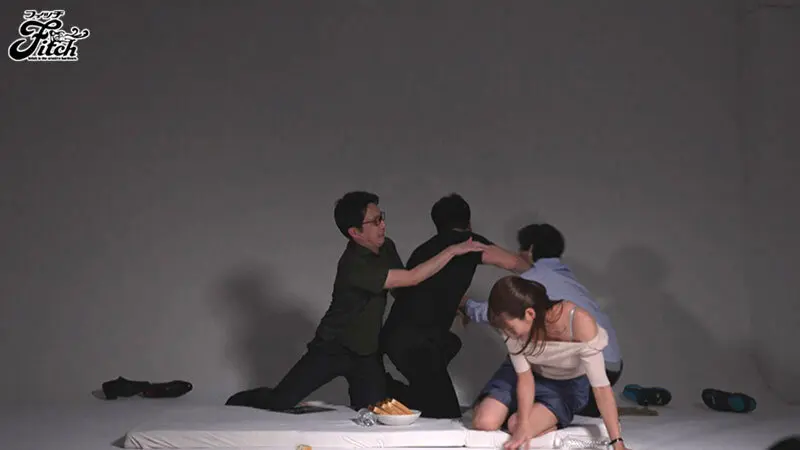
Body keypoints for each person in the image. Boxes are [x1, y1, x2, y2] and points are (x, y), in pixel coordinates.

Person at [225, 191, 487, 412]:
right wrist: (453, 250)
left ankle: (394, 387)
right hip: (332, 349)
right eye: (375, 221)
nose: (382, 225)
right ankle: (246, 399)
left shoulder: (386, 247)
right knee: (280, 403)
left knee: (375, 410)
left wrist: (451, 303)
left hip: (366, 356)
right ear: (355, 232)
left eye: (382, 217)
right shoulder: (354, 266)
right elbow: (412, 278)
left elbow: (402, 292)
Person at [380, 193, 530, 419]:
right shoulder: (469, 243)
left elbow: (420, 291)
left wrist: (458, 304)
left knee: (449, 345)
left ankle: (406, 391)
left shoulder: (424, 250)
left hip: (398, 337)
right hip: (416, 344)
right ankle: (384, 390)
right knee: (445, 411)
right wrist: (539, 268)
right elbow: (516, 264)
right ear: (468, 223)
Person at [463, 223, 623, 426]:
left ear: (529, 250)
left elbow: (496, 314)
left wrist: (463, 303)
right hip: (611, 370)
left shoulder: (534, 282)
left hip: (582, 378)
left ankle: (523, 411)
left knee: (520, 336)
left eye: (519, 250)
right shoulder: (567, 278)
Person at [480, 276, 628, 450]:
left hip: (564, 385)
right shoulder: (509, 326)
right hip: (526, 376)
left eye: (511, 329)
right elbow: (525, 378)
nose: (508, 334)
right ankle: (521, 413)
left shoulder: (578, 322)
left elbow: (601, 387)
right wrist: (524, 422)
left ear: (530, 314)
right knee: (485, 422)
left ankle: (540, 418)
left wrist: (617, 442)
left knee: (515, 424)